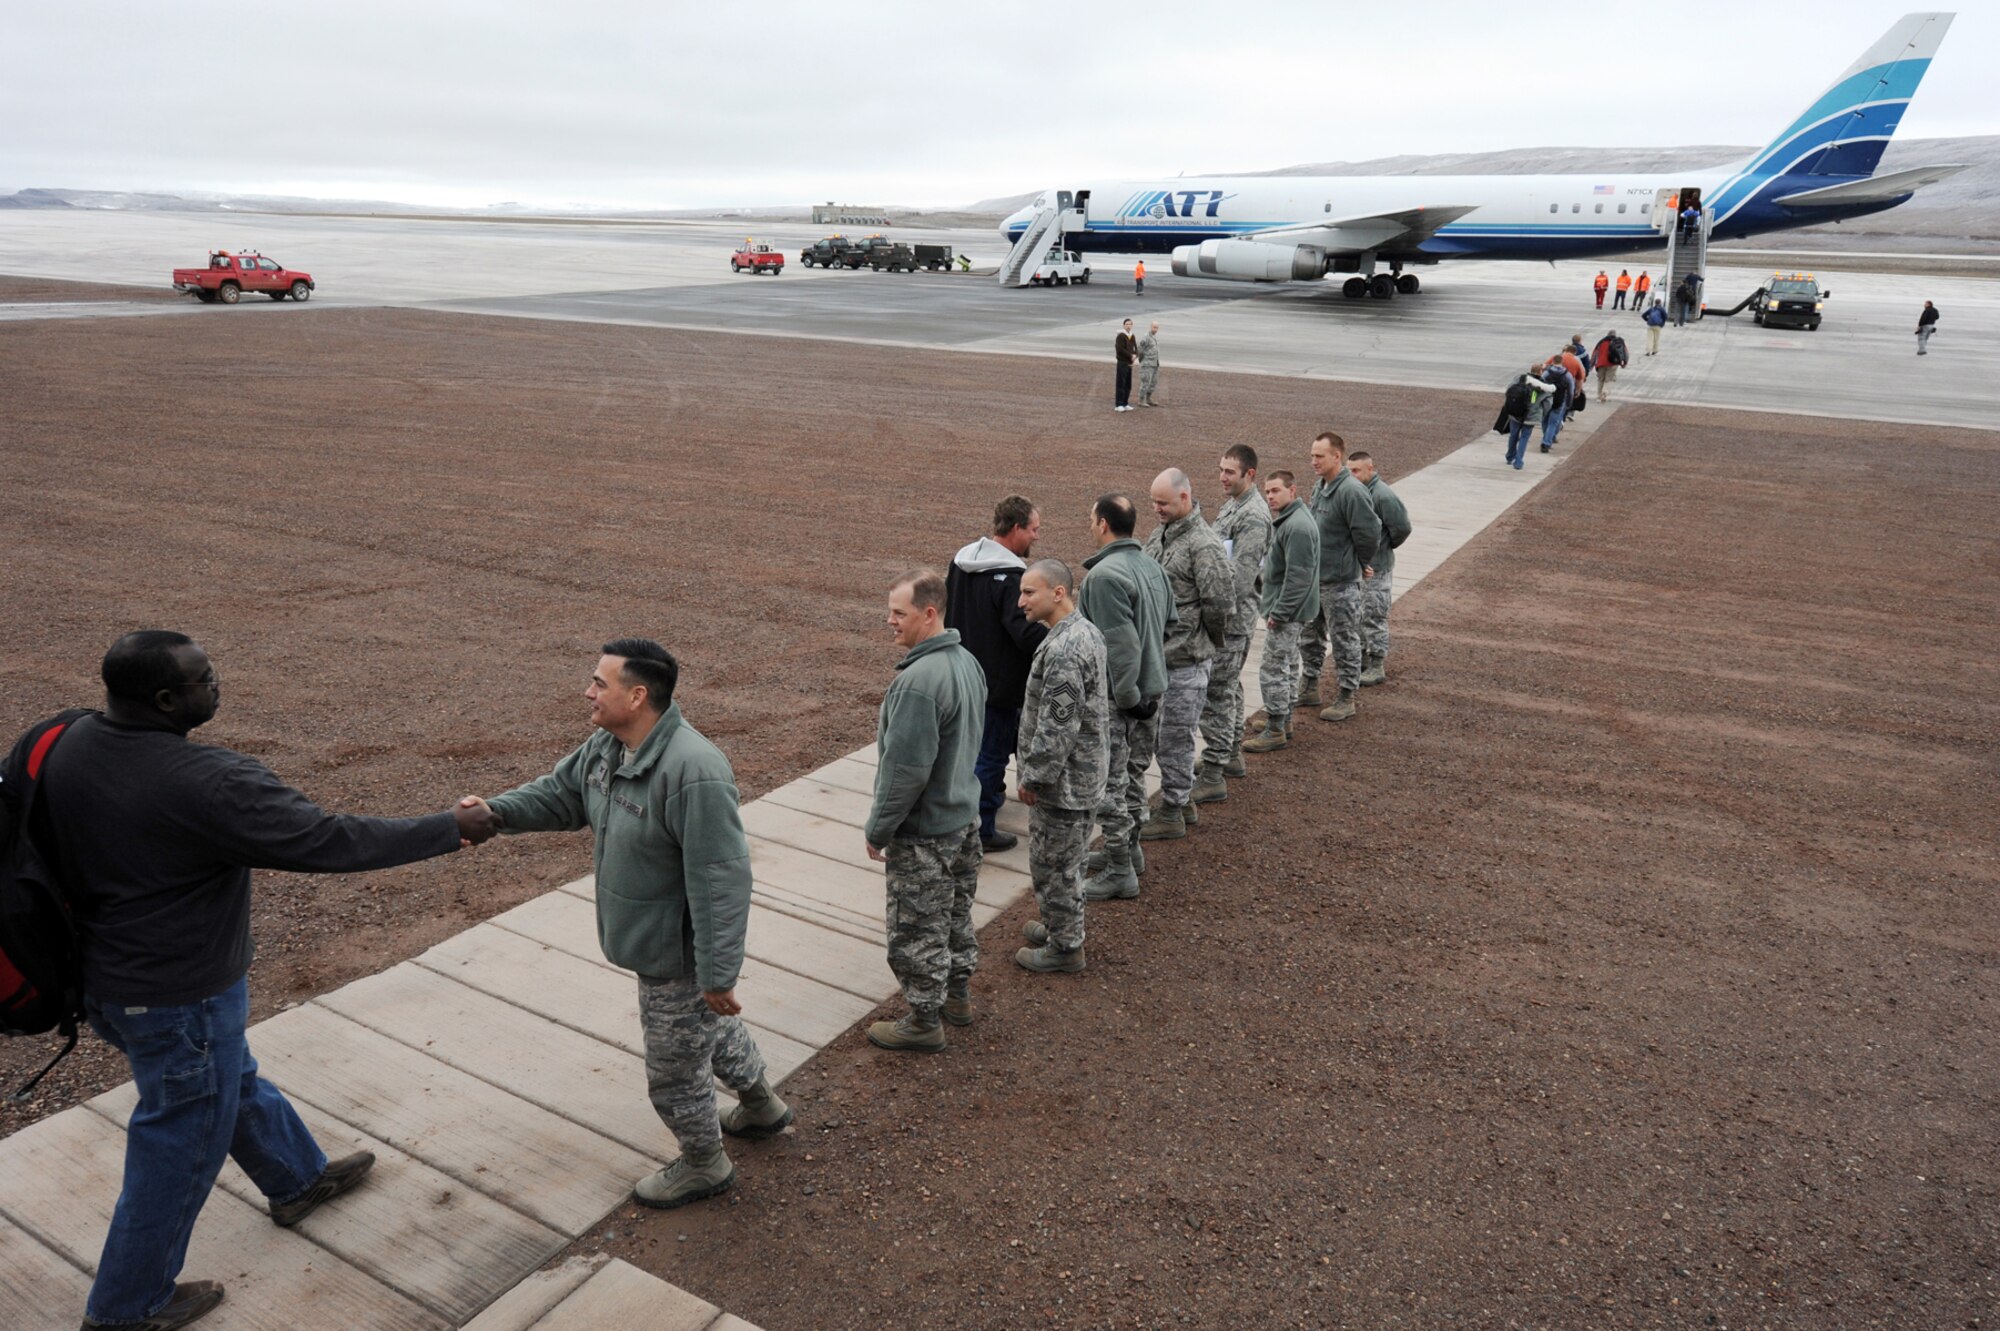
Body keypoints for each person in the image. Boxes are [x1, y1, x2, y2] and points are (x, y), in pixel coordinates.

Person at [37, 631, 497, 1331]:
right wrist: (449, 826)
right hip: (177, 994)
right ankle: (127, 1308)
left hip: (106, 981)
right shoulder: (209, 782)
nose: (216, 683)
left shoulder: (63, 740)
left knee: (226, 1080)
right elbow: (331, 840)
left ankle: (297, 1178)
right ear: (166, 698)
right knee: (178, 1142)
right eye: (204, 677)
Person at [470, 639, 788, 1211]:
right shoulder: (606, 748)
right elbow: (560, 794)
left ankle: (704, 1163)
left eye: (600, 682)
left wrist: (718, 974)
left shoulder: (694, 771)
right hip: (651, 944)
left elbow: (722, 880)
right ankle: (762, 1106)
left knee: (674, 1069)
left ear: (637, 695)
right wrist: (495, 813)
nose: (587, 691)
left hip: (678, 953)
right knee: (705, 1030)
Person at [859, 570, 986, 1052]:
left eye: (898, 613)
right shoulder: (967, 663)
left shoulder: (917, 682)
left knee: (916, 929)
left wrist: (879, 828)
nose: (889, 621)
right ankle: (957, 997)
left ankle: (923, 1019)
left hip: (926, 832)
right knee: (955, 915)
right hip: (963, 820)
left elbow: (905, 771)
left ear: (929, 614)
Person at [1012, 560, 1109, 974]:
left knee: (1054, 865)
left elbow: (1057, 725)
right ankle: (1059, 925)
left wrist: (1034, 777)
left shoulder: (1066, 649)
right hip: (1080, 775)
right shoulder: (1082, 632)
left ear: (1058, 593)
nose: (1021, 602)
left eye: (1029, 592)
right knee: (1068, 861)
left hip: (1064, 783)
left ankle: (1066, 947)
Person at [1078, 494, 1172, 902]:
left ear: (1102, 524)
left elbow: (1120, 646)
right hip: (1152, 690)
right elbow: (1170, 624)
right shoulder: (1152, 565)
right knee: (1133, 776)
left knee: (1107, 785)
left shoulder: (1103, 577)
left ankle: (1119, 867)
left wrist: (1129, 697)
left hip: (1121, 698)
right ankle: (1130, 852)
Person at [945, 496, 1046, 854]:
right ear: (1016, 528)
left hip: (962, 677)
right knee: (990, 755)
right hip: (999, 687)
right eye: (1033, 529)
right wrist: (1059, 636)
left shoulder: (962, 561)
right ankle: (983, 828)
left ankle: (973, 806)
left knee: (966, 749)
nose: (1036, 535)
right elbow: (1023, 633)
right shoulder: (1012, 579)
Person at [1137, 468, 1232, 842]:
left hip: (1184, 660)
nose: (1156, 509)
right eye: (1153, 502)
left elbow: (1221, 604)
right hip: (1163, 657)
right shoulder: (1162, 534)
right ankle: (1184, 802)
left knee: (1174, 740)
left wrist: (1199, 642)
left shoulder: (1202, 544)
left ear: (1184, 498)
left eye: (1162, 502)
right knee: (1165, 737)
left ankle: (1173, 810)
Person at [1192, 444, 1271, 807]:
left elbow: (1239, 580)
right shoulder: (1234, 505)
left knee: (1217, 694)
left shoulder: (1253, 516)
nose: (1222, 477)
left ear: (1249, 474)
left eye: (1230, 472)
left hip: (1230, 620)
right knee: (1229, 689)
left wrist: (1211, 613)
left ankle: (1213, 771)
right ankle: (1230, 756)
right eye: (1221, 469)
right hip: (1226, 619)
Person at [1297, 432, 1382, 722]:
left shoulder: (1351, 491)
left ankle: (1346, 695)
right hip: (1316, 579)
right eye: (1312, 455)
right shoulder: (1320, 487)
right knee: (1309, 637)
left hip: (1341, 582)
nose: (1313, 461)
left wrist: (1360, 562)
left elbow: (1370, 533)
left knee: (1344, 639)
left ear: (1337, 457)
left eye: (1319, 456)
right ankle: (1309, 686)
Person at [1242, 471, 1320, 753]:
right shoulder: (1293, 519)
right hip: (1291, 611)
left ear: (1292, 490)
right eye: (1267, 492)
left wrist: (1280, 612)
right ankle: (1283, 720)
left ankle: (1276, 728)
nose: (1270, 496)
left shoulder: (1296, 526)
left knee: (1273, 668)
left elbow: (1299, 577)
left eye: (1276, 490)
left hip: (1287, 613)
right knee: (1287, 665)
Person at [1347, 451, 1411, 687]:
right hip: (1360, 567)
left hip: (1378, 568)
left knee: (1374, 614)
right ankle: (1363, 657)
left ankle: (1376, 664)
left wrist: (1384, 547)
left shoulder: (1382, 495)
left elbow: (1402, 527)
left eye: (1356, 471)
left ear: (1370, 468)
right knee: (1359, 614)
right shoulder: (1359, 492)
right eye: (1349, 471)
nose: (1352, 476)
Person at [1498, 362, 1552, 469]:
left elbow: (1509, 390)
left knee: (1513, 435)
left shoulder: (1520, 379)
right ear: (1541, 372)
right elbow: (1548, 403)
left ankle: (1509, 456)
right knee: (1524, 437)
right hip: (1531, 415)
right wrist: (1541, 413)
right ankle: (1518, 461)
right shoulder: (1544, 386)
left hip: (1516, 413)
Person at [1539, 353, 1575, 453]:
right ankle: (1546, 442)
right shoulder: (1567, 374)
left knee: (1544, 420)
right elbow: (1571, 390)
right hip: (1560, 400)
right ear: (1562, 362)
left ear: (1553, 361)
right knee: (1553, 423)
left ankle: (1546, 437)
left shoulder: (1547, 373)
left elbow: (1540, 385)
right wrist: (1569, 403)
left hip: (1547, 399)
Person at [1592, 328, 1629, 401]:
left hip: (1601, 363)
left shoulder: (1601, 342)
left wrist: (1592, 364)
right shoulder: (1619, 342)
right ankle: (1604, 394)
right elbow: (1625, 353)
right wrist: (1624, 363)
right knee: (1609, 379)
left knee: (1600, 379)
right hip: (1613, 363)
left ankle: (1599, 395)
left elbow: (1595, 354)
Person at [1113, 318, 1137, 411]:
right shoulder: (1121, 336)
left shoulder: (1132, 335)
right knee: (1121, 383)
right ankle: (1118, 404)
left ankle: (1125, 402)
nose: (1128, 326)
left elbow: (1135, 347)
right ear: (1123, 325)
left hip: (1129, 362)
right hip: (1122, 362)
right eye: (1127, 324)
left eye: (1130, 324)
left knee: (1128, 384)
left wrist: (1135, 355)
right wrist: (1130, 355)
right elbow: (1120, 349)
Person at [1137, 321, 1162, 407]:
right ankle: (1141, 400)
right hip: (1147, 364)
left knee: (1153, 382)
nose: (1155, 329)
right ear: (1150, 327)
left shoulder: (1154, 337)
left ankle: (1148, 398)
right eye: (1154, 327)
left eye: (1157, 327)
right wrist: (1142, 360)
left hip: (1154, 364)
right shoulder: (1146, 337)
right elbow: (1140, 349)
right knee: (1145, 382)